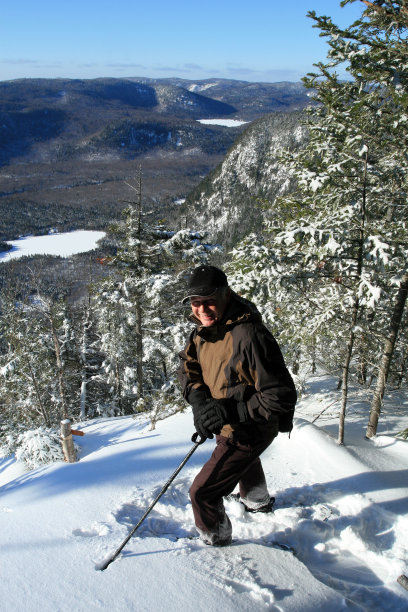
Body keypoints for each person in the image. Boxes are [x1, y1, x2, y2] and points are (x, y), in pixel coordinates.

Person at [177, 264, 297, 546]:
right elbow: (187, 366)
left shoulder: (248, 335)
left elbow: (280, 395)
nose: (202, 309)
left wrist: (231, 411)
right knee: (245, 461)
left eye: (209, 301)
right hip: (230, 422)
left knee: (202, 493)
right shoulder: (203, 331)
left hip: (252, 426)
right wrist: (200, 402)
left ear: (226, 295)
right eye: (196, 303)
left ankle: (215, 540)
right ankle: (257, 501)